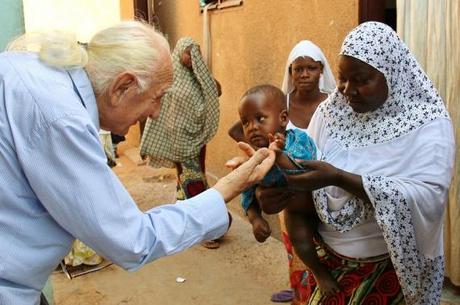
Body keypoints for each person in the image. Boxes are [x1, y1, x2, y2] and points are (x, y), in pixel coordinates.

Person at [0, 21, 275, 305]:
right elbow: (132, 241)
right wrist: (229, 186)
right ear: (122, 87)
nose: (154, 114)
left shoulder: (32, 72)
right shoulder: (63, 119)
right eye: (156, 98)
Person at [254, 22, 455, 304]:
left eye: (362, 79)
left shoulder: (427, 124)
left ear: (392, 75)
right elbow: (304, 176)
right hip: (329, 268)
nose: (348, 90)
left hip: (392, 271)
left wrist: (339, 178)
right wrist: (276, 193)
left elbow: (429, 197)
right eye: (342, 78)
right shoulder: (331, 113)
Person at [228, 40, 336, 303]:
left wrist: (280, 153)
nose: (304, 74)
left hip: (322, 193)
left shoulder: (332, 103)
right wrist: (255, 150)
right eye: (298, 69)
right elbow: (241, 126)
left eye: (310, 68)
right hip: (287, 198)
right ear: (290, 72)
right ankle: (301, 292)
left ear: (321, 70)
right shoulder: (280, 101)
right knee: (297, 248)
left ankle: (319, 286)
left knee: (329, 249)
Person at [140, 37, 222, 249]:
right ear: (179, 52)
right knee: (193, 181)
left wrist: (208, 84)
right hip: (177, 139)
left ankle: (181, 218)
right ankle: (206, 229)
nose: (191, 56)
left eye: (195, 51)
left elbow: (216, 91)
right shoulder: (171, 77)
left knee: (190, 178)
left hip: (195, 136)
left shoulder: (198, 76)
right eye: (188, 52)